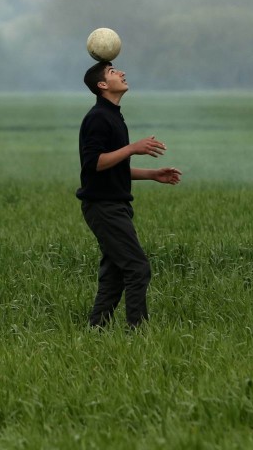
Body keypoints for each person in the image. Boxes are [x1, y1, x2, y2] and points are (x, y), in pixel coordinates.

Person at [77, 61, 182, 329]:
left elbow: (112, 167)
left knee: (114, 276)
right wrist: (133, 148)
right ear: (102, 85)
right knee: (137, 268)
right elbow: (94, 163)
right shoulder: (98, 118)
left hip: (113, 205)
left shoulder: (112, 115)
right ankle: (137, 333)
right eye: (113, 72)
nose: (122, 73)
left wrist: (152, 174)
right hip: (104, 207)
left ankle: (96, 331)